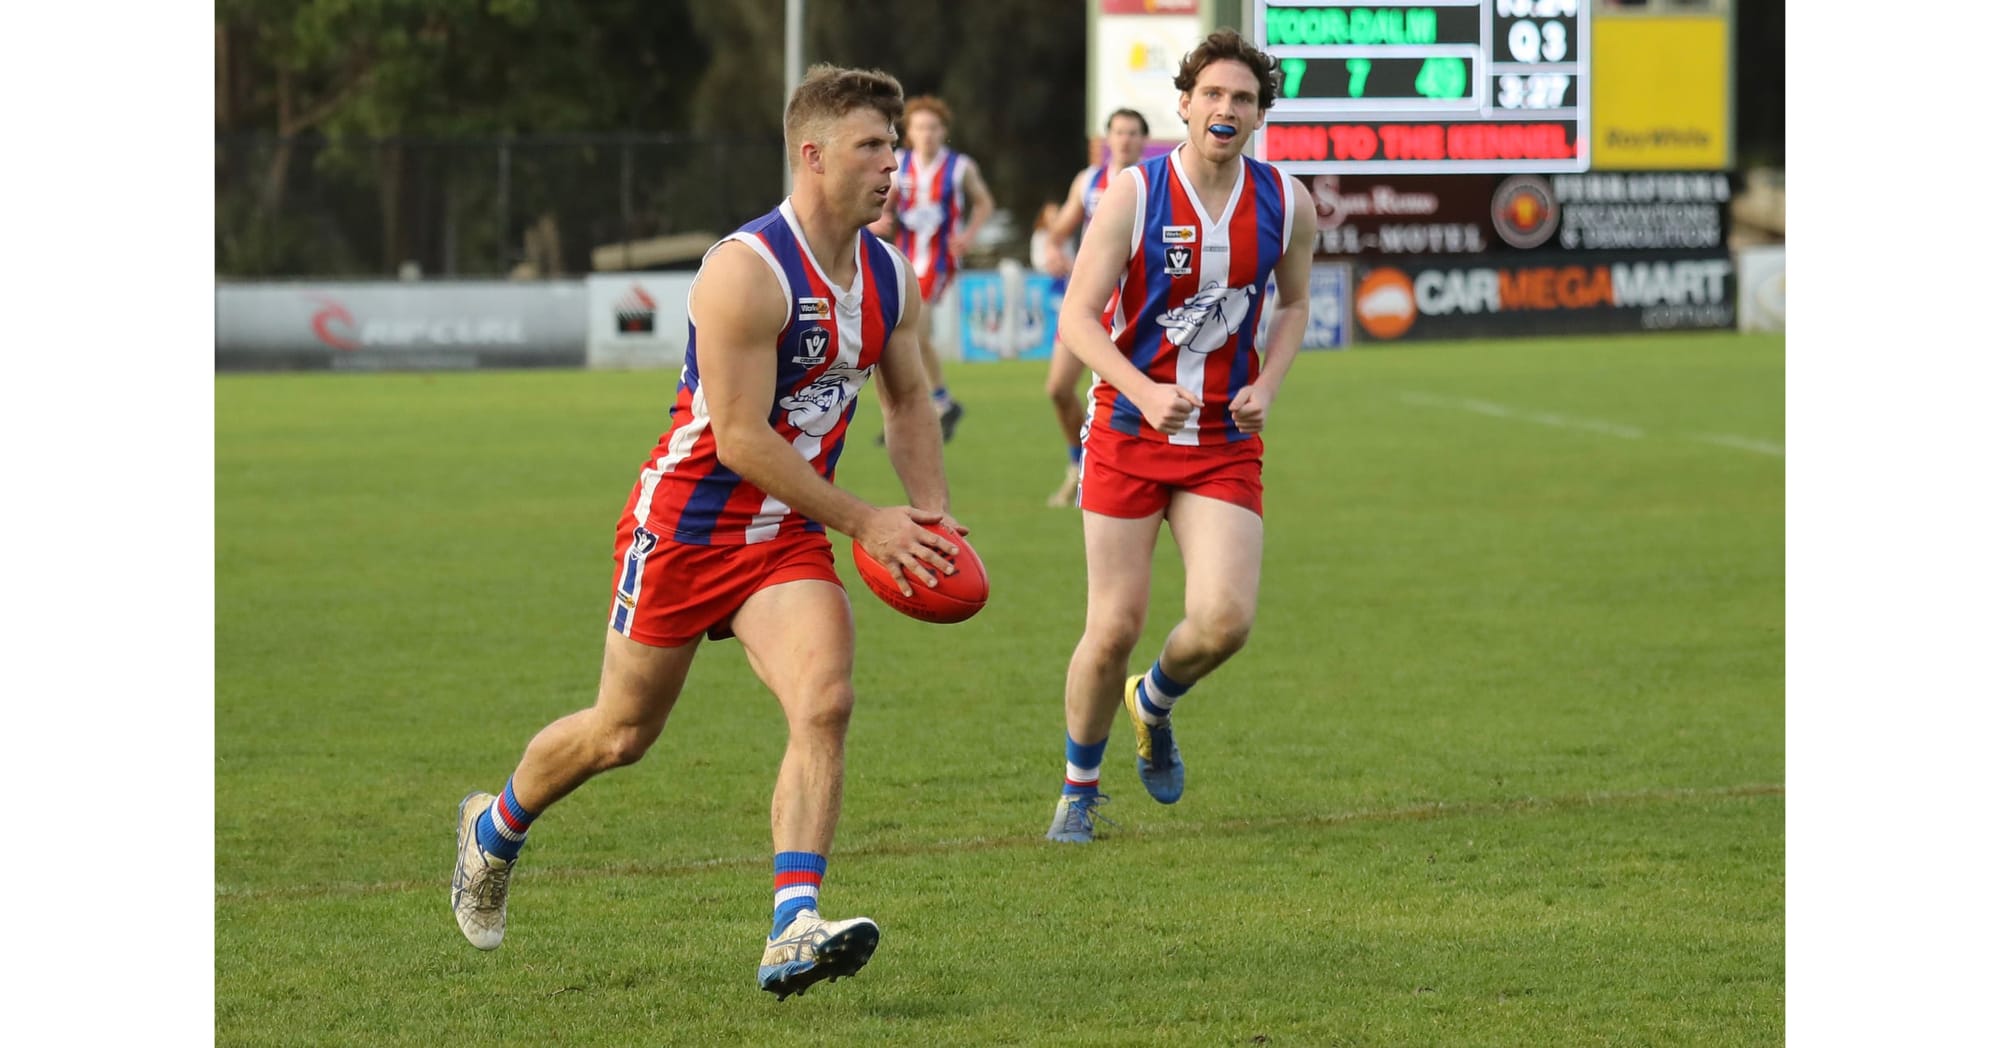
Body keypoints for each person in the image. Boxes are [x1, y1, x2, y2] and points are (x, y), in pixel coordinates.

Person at [450, 64, 970, 1002]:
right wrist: (866, 520)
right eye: (872, 146)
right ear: (812, 156)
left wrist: (926, 516)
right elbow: (737, 438)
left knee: (826, 700)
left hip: (789, 531)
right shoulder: (745, 271)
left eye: (894, 144)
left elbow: (907, 401)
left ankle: (791, 925)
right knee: (621, 733)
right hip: (690, 523)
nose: (894, 163)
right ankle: (493, 831)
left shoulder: (890, 272)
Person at [1042, 30, 1315, 843]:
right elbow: (1077, 318)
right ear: (1186, 104)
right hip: (1129, 430)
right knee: (1114, 624)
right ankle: (1078, 792)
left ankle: (1151, 702)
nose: (1227, 110)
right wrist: (1140, 389)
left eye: (1244, 99)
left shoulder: (1287, 201)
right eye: (1214, 95)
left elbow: (1295, 304)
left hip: (1222, 439)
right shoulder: (1133, 194)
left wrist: (1267, 382)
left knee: (1225, 620)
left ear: (1260, 116)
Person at [1037, 108, 1151, 508]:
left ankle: (1131, 477)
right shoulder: (1088, 182)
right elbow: (1059, 232)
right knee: (1058, 388)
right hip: (1086, 303)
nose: (1125, 139)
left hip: (1133, 307)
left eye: (1133, 133)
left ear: (1143, 141)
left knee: (1128, 396)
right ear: (1108, 139)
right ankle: (1076, 463)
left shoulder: (1154, 183)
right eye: (1119, 132)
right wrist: (1053, 249)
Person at [867, 95, 994, 443]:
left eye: (933, 128)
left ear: (943, 131)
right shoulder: (901, 164)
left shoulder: (959, 167)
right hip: (903, 258)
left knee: (912, 331)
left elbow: (984, 202)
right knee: (899, 333)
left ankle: (927, 405)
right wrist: (878, 219)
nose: (927, 134)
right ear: (910, 132)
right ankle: (928, 405)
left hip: (939, 261)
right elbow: (882, 203)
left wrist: (968, 235)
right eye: (921, 127)